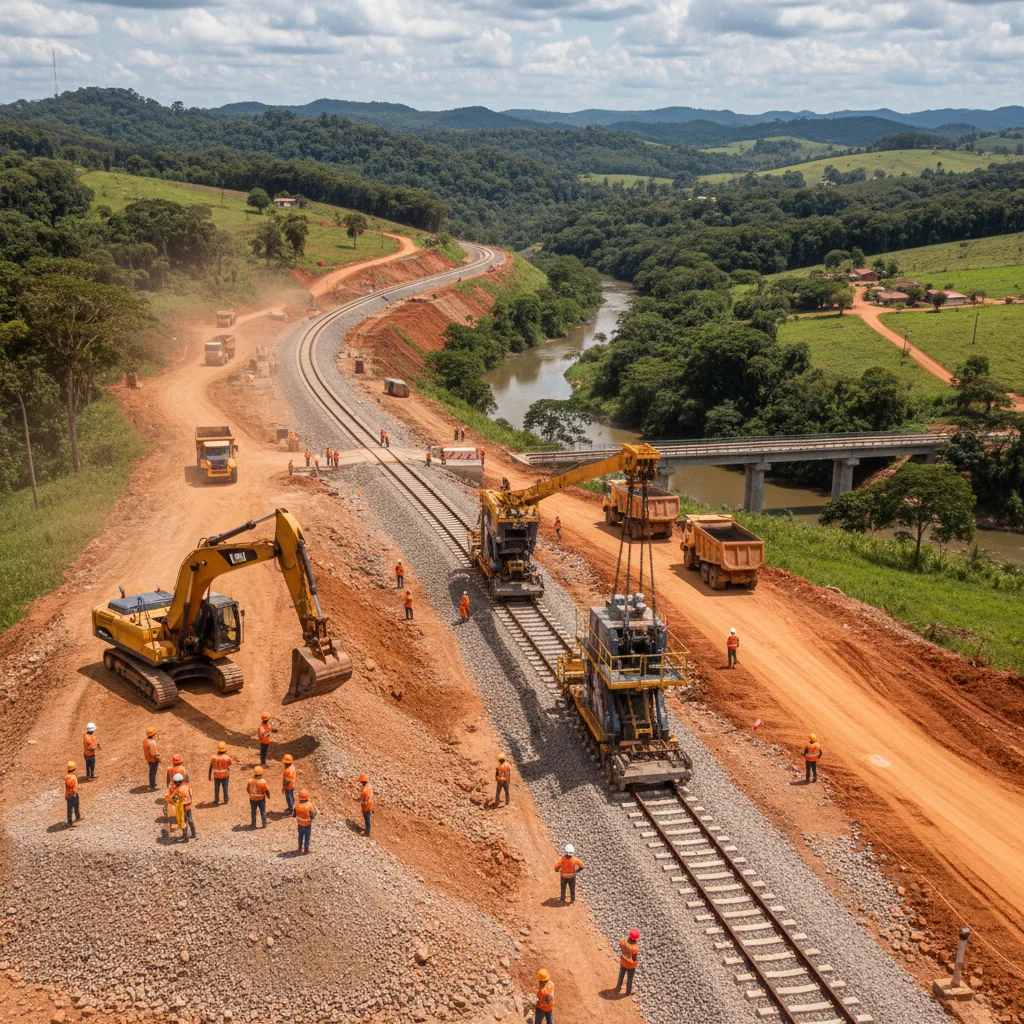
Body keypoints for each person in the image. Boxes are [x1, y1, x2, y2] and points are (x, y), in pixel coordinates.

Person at [168, 772, 196, 842]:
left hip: (183, 808)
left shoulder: (179, 790)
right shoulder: (186, 787)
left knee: (184, 822)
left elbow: (174, 800)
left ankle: (185, 837)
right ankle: (193, 834)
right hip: (188, 807)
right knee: (190, 820)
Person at [616, 929, 640, 996]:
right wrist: (637, 960)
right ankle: (628, 992)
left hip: (623, 961)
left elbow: (621, 946)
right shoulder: (634, 948)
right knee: (630, 978)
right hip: (630, 965)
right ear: (636, 939)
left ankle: (618, 986)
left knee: (621, 975)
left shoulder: (623, 941)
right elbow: (634, 958)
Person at [295, 789, 317, 854]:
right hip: (307, 825)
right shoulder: (309, 805)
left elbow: (293, 814)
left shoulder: (297, 805)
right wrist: (316, 812)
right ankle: (306, 850)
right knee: (307, 837)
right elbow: (312, 816)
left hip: (300, 824)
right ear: (307, 796)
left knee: (300, 836)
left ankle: (299, 849)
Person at [64, 761, 81, 827]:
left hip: (68, 795)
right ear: (74, 769)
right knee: (76, 806)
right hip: (73, 795)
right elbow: (75, 787)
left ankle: (69, 821)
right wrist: (75, 793)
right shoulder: (74, 778)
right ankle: (77, 817)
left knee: (69, 809)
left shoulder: (66, 777)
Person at [143, 726, 160, 790]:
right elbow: (152, 754)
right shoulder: (152, 742)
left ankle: (153, 783)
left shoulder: (145, 741)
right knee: (153, 772)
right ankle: (152, 785)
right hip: (153, 760)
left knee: (152, 771)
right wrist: (158, 756)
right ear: (153, 735)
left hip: (148, 759)